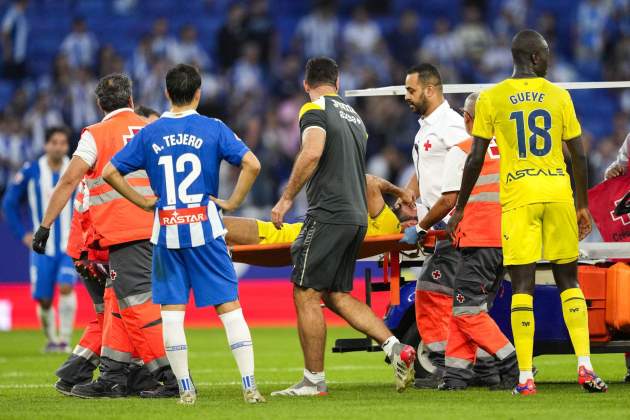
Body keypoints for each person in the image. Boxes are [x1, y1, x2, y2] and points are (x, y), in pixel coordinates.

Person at [447, 29, 608, 395]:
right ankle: (585, 366)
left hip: (519, 197)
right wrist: (582, 204)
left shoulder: (491, 98)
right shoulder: (558, 95)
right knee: (569, 281)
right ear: (535, 57)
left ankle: (525, 377)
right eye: (547, 54)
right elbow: (578, 156)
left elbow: (475, 158)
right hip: (557, 192)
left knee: (523, 287)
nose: (549, 60)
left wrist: (459, 208)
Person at [102, 64, 265, 405]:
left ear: (166, 94)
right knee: (229, 309)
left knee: (172, 314)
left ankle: (186, 389)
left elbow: (110, 171)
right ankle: (249, 387)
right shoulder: (213, 127)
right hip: (205, 230)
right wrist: (233, 201)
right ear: (198, 93)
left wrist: (144, 202)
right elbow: (252, 164)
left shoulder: (150, 132)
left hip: (167, 233)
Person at [270, 57, 416, 396]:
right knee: (335, 294)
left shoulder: (313, 109)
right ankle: (396, 348)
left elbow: (311, 152)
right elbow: (357, 173)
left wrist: (286, 198)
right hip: (355, 216)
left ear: (306, 84)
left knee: (305, 292)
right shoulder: (355, 118)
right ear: (337, 82)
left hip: (329, 214)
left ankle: (313, 381)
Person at [32, 73, 178, 398]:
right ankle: (113, 377)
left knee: (135, 306)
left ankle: (169, 377)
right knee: (117, 305)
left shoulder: (95, 135)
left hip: (123, 233)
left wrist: (45, 226)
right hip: (158, 229)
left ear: (99, 104)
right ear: (130, 100)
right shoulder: (154, 129)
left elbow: (69, 182)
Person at [438, 92, 519, 391]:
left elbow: (449, 200)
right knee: (470, 306)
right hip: (507, 241)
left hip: (478, 238)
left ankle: (513, 366)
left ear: (468, 119)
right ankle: (456, 377)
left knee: (465, 309)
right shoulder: (512, 149)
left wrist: (425, 227)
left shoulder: (463, 149)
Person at [398, 63, 469, 388]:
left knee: (430, 294)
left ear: (430, 89)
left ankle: (450, 368)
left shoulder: (452, 125)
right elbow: (431, 165)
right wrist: (411, 189)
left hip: (451, 227)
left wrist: (423, 226)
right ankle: (468, 366)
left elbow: (458, 181)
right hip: (440, 225)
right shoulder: (428, 126)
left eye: (410, 90)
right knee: (456, 301)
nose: (406, 96)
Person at [2, 126, 77, 353]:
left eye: (63, 142)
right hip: (41, 246)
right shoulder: (31, 170)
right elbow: (8, 204)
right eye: (54, 142)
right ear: (46, 145)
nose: (58, 146)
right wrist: (22, 233)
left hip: (68, 243)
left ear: (67, 146)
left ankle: (64, 340)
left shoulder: (76, 169)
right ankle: (51, 339)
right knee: (44, 300)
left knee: (66, 287)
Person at [225, 174, 416, 246]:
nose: (407, 203)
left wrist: (401, 192)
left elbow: (368, 181)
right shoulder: (383, 223)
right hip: (302, 234)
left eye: (412, 207)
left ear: (410, 224)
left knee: (212, 225)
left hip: (285, 236)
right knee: (212, 232)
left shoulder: (390, 224)